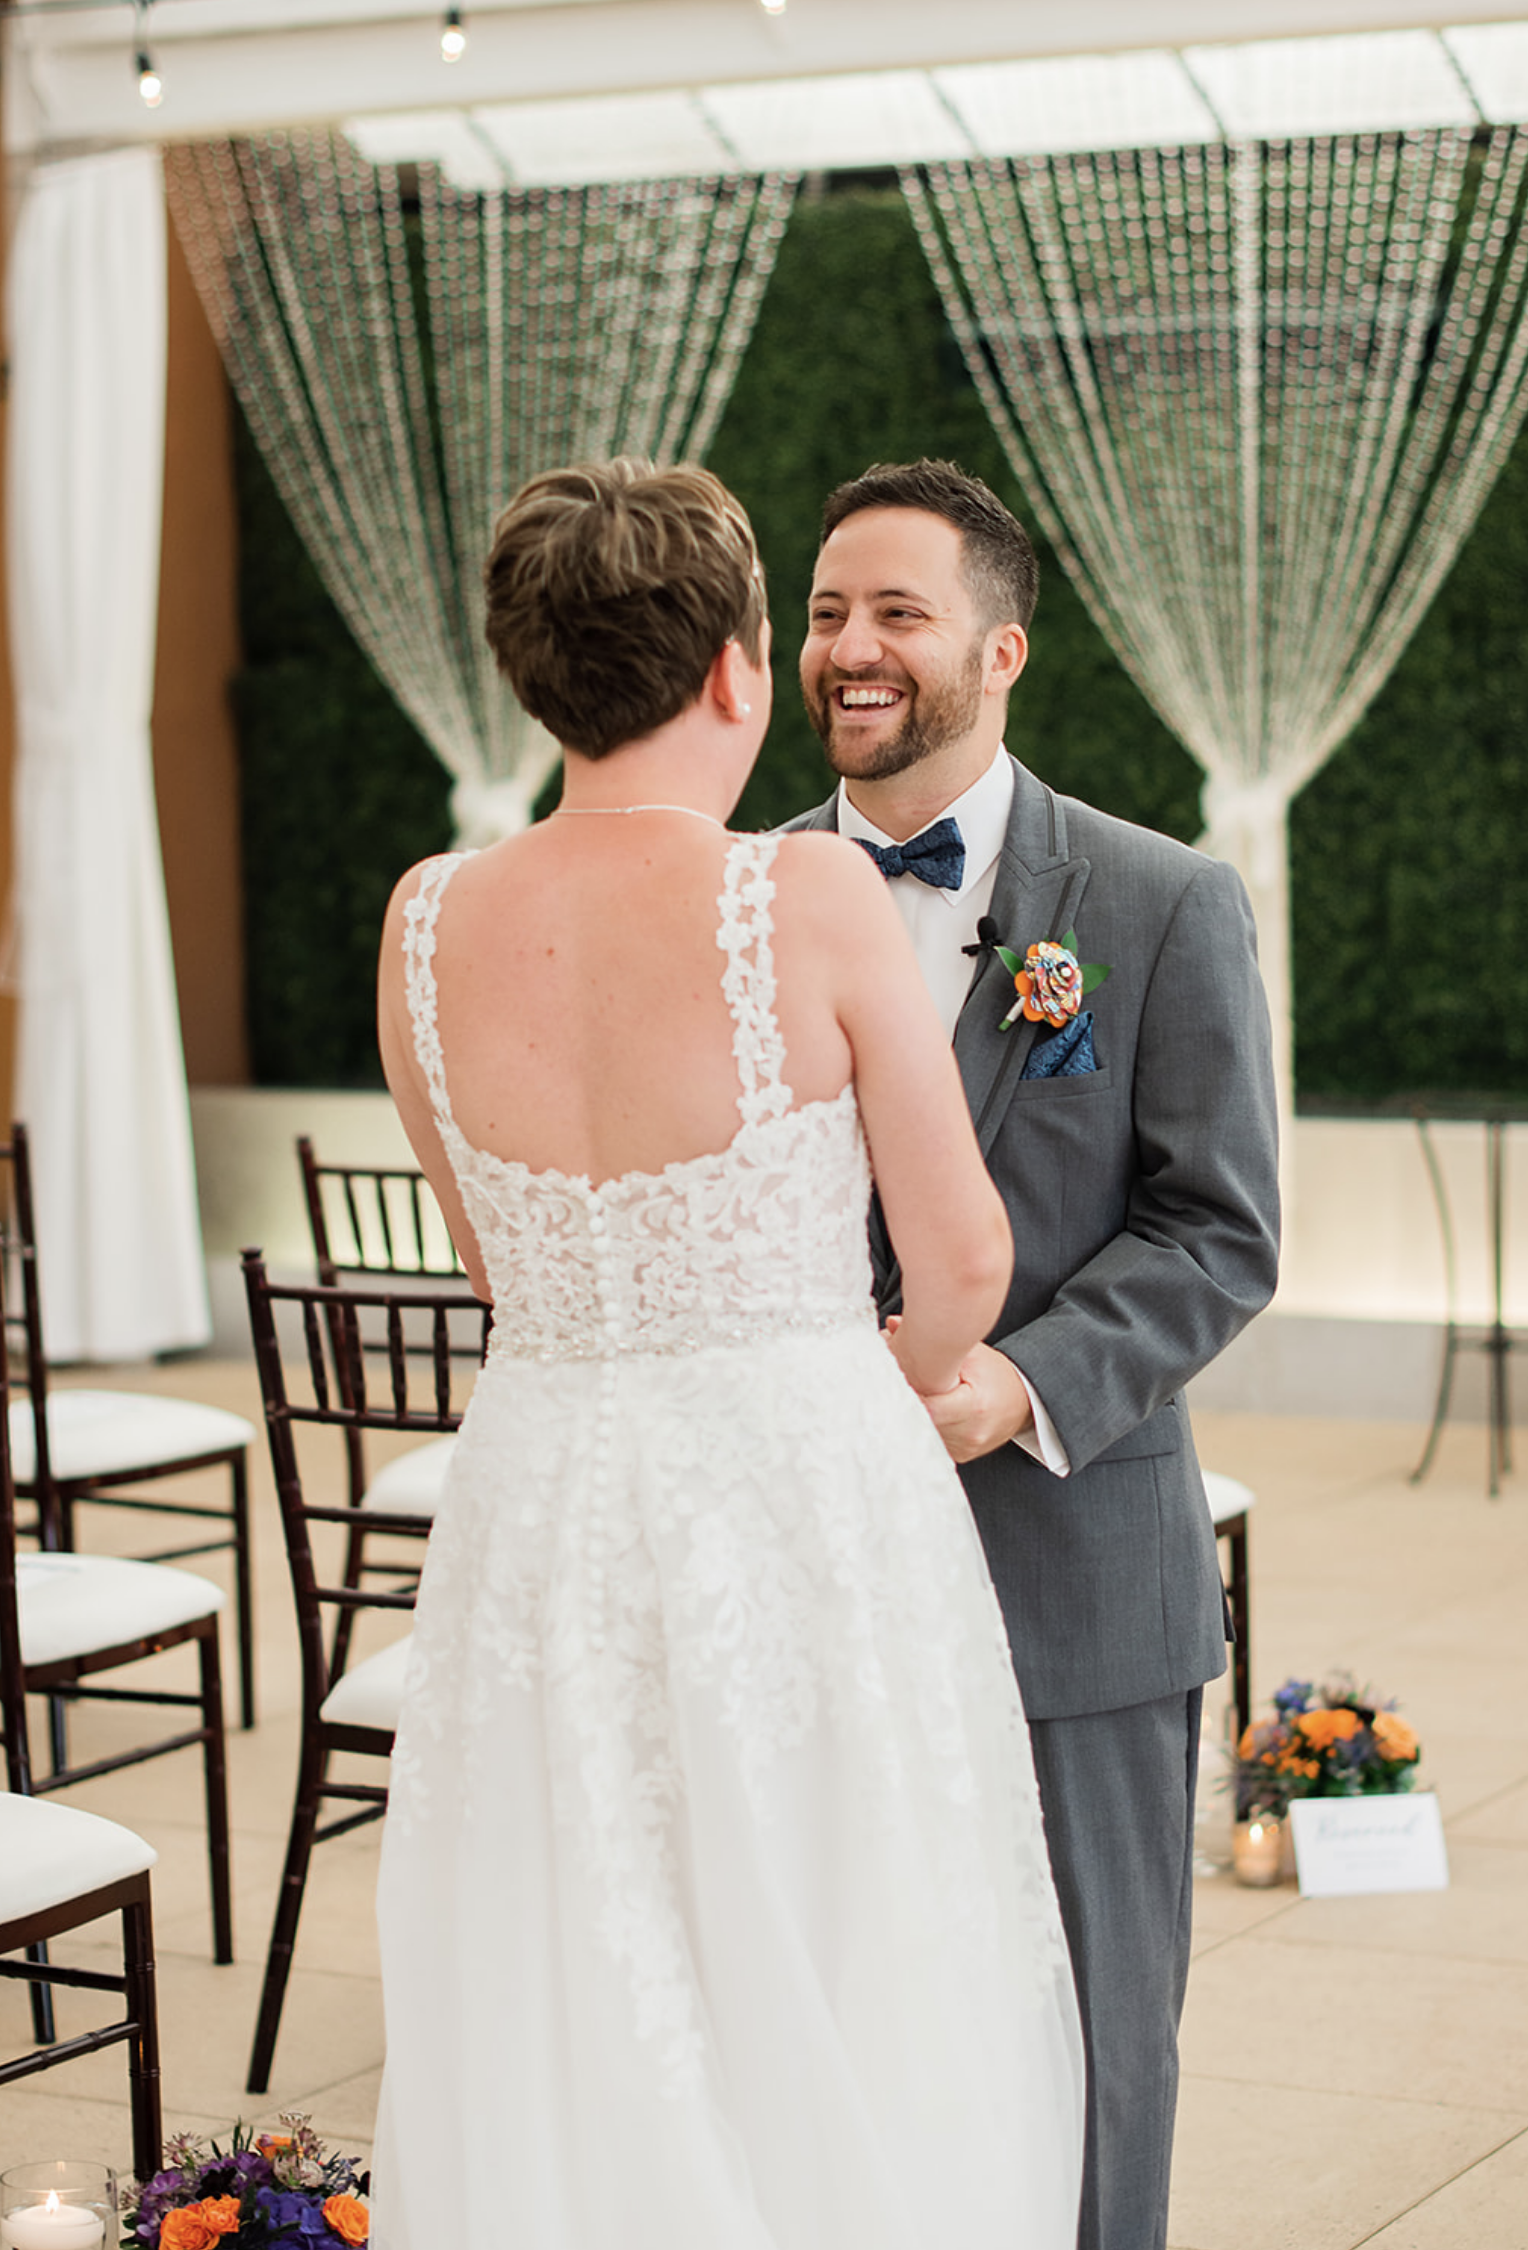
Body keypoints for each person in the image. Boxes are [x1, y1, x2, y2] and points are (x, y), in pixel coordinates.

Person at [370, 458, 1084, 2250]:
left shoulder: (422, 920)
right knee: (840, 1942)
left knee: (574, 1938)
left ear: (532, 673)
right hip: (799, 1491)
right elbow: (966, 1262)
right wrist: (839, 1373)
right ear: (738, 671)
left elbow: (496, 1259)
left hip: (538, 1493)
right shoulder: (811, 901)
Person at [789, 459, 1280, 2250]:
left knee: (1094, 2038)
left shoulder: (1158, 904)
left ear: (1001, 648)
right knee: (841, 2020)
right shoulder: (737, 899)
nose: (850, 647)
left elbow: (1219, 1229)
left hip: (1073, 1578)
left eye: (895, 613)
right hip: (809, 1575)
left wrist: (1031, 1384)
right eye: (829, 609)